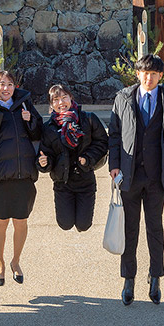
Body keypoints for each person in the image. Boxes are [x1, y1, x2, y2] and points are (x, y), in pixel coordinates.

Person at [108, 54, 164, 305]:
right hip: (129, 174)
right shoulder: (123, 98)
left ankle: (155, 277)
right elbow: (115, 135)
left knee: (155, 229)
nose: (149, 77)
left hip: (157, 176)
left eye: (154, 73)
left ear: (160, 76)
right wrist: (114, 165)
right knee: (129, 229)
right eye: (145, 73)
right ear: (138, 74)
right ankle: (128, 279)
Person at [0, 71, 42, 286]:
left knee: (21, 221)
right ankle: (0, 263)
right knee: (1, 223)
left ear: (15, 87)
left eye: (10, 84)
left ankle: (16, 261)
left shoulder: (24, 104)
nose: (6, 88)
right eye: (1, 84)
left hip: (23, 173)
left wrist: (30, 120)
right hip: (0, 174)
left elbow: (38, 132)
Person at [37, 84, 108, 232]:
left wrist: (88, 158)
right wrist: (45, 162)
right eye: (56, 99)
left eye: (64, 97)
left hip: (85, 180)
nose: (61, 103)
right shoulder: (48, 127)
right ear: (51, 104)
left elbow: (102, 142)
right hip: (62, 182)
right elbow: (45, 153)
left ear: (71, 98)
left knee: (83, 225)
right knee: (65, 224)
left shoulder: (88, 119)